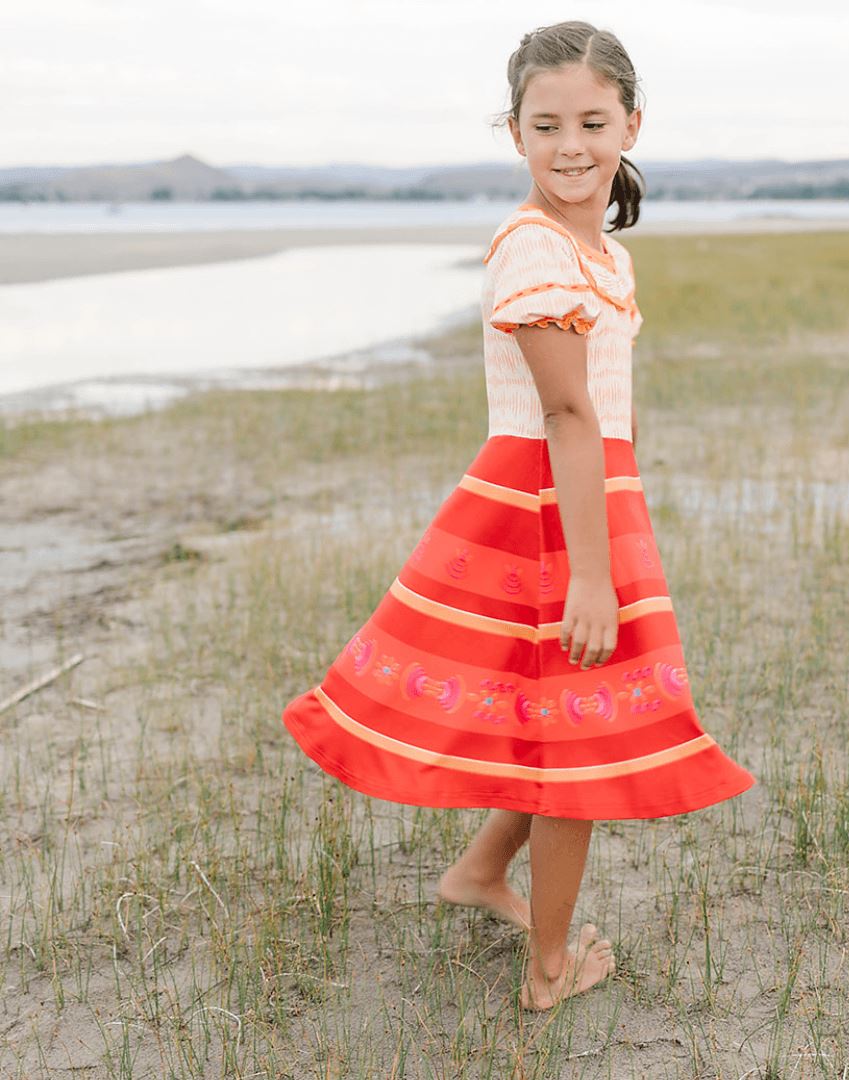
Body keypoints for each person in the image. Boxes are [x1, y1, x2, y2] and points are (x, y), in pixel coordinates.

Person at [281, 19, 756, 1011]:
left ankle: (480, 874)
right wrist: (590, 570)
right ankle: (548, 971)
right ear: (515, 134)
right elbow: (566, 412)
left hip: (588, 495)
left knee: (550, 715)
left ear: (632, 122)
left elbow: (606, 415)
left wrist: (619, 515)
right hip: (540, 512)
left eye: (592, 120)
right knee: (580, 742)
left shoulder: (598, 251)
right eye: (547, 125)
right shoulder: (533, 245)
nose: (571, 144)